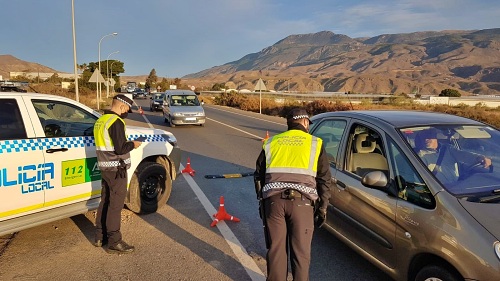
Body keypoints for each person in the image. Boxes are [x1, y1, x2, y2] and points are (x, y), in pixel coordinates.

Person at [254, 108, 332, 281]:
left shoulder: (272, 142)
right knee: (301, 254)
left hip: (274, 203)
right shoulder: (315, 143)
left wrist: (262, 202)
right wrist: (323, 207)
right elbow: (324, 179)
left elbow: (259, 175)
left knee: (276, 250)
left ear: (289, 123)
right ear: (305, 122)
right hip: (302, 205)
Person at [93, 94, 142, 254]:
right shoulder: (116, 121)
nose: (127, 112)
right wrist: (133, 144)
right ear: (121, 106)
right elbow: (121, 148)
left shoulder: (101, 120)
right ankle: (115, 241)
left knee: (105, 201)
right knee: (115, 205)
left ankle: (100, 236)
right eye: (127, 108)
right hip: (116, 169)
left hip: (105, 167)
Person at [414, 128, 491, 185]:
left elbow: (463, 155)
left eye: (428, 136)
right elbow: (418, 178)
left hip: (456, 187)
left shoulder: (448, 149)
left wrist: (479, 158)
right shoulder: (421, 155)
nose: (426, 140)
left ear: (435, 137)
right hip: (438, 190)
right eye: (423, 138)